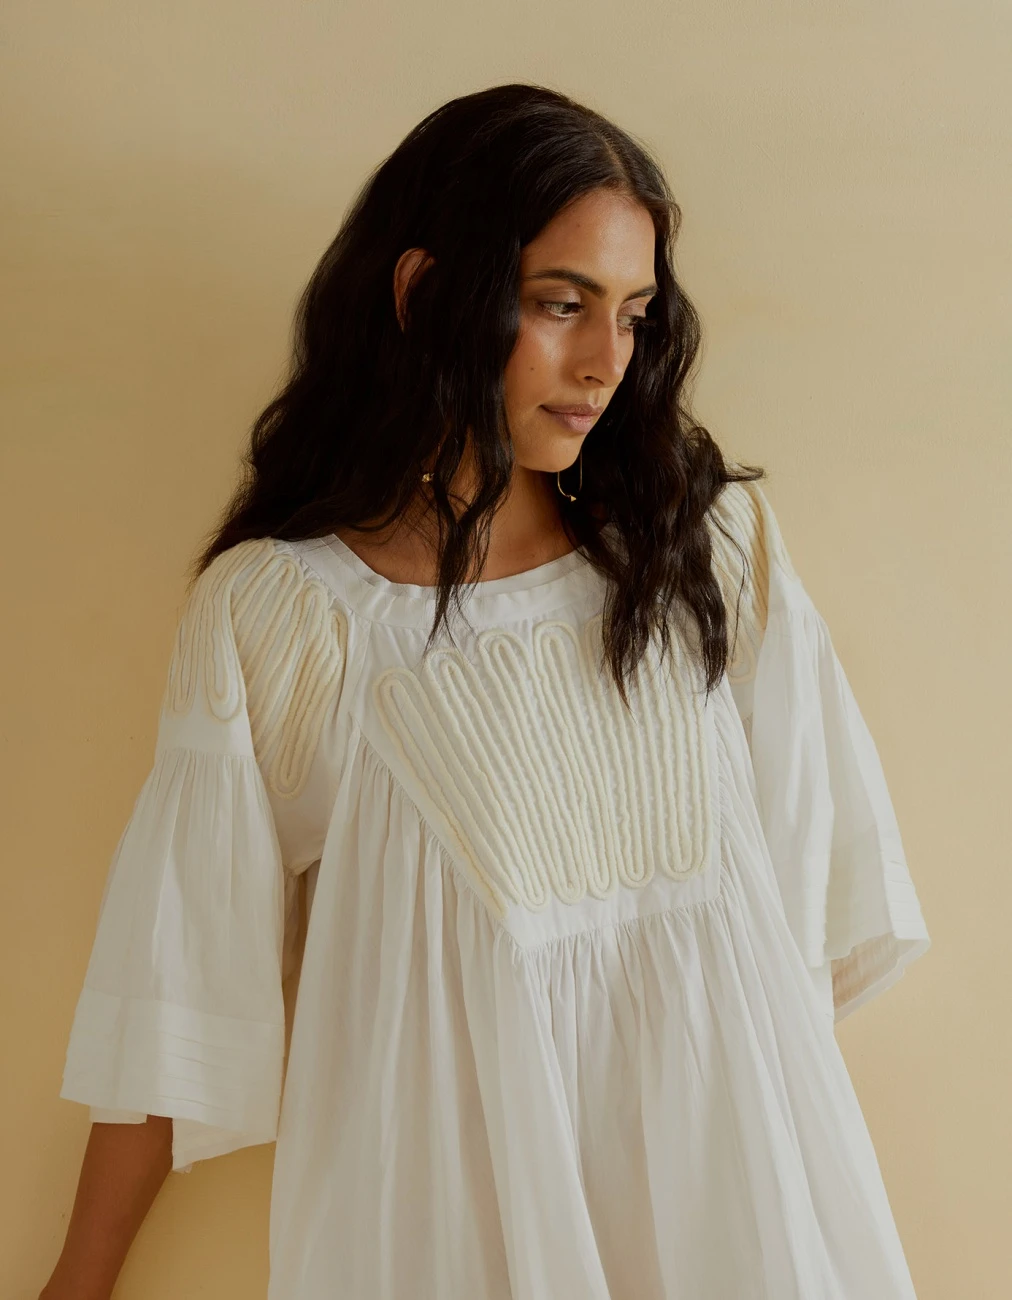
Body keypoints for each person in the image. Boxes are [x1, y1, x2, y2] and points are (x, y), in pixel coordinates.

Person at [43, 82, 931, 1299]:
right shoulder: (287, 618)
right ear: (424, 294)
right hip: (455, 1240)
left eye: (632, 314)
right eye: (561, 303)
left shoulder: (708, 558)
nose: (605, 361)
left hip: (746, 1232)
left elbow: (792, 954)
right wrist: (76, 1280)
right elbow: (175, 993)